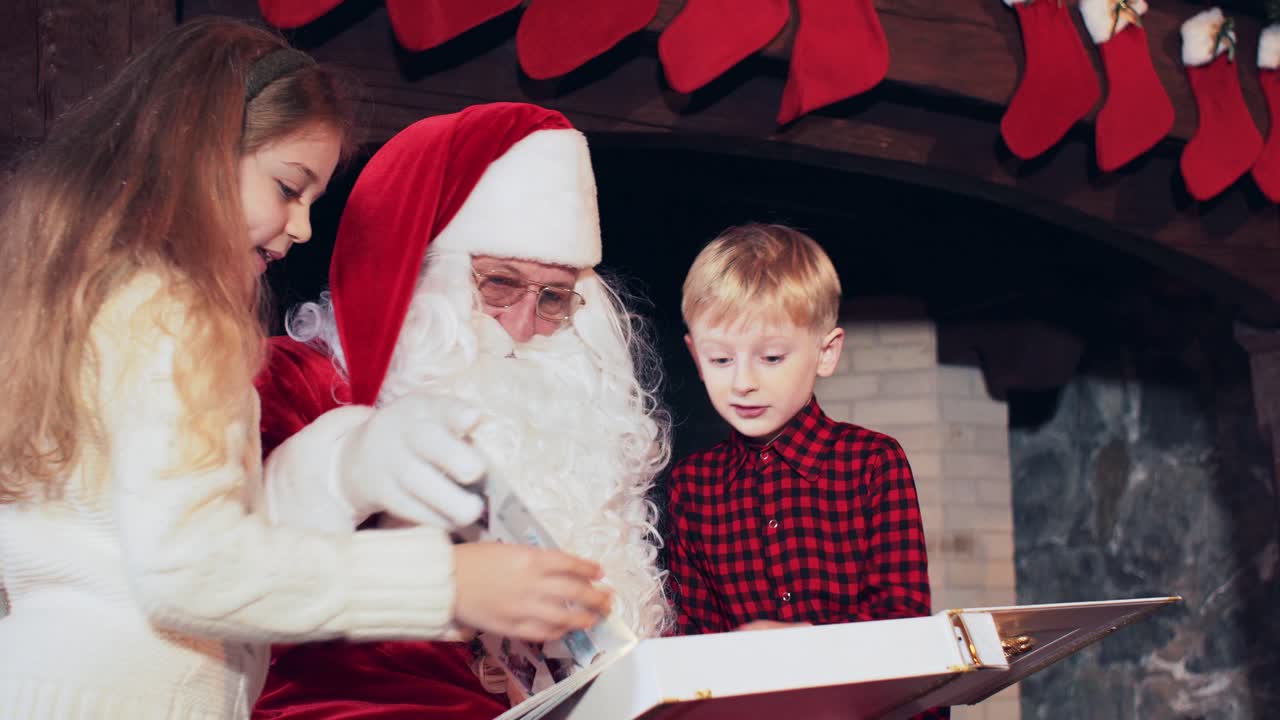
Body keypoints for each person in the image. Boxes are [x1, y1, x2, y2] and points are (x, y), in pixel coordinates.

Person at [0, 21, 607, 719]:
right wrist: (448, 582)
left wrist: (343, 467)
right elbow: (191, 570)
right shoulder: (172, 309)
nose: (302, 228)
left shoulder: (90, 299)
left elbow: (174, 535)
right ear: (200, 154)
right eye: (289, 188)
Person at [251, 102, 672, 718]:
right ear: (424, 276)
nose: (525, 326)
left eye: (555, 298)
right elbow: (229, 582)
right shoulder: (293, 384)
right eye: (498, 283)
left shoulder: (577, 437)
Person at [668, 223, 948, 718]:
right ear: (695, 355)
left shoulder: (872, 462)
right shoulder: (691, 486)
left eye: (771, 357)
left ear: (826, 353)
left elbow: (903, 619)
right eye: (720, 358)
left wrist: (804, 646)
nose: (743, 382)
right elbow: (694, 639)